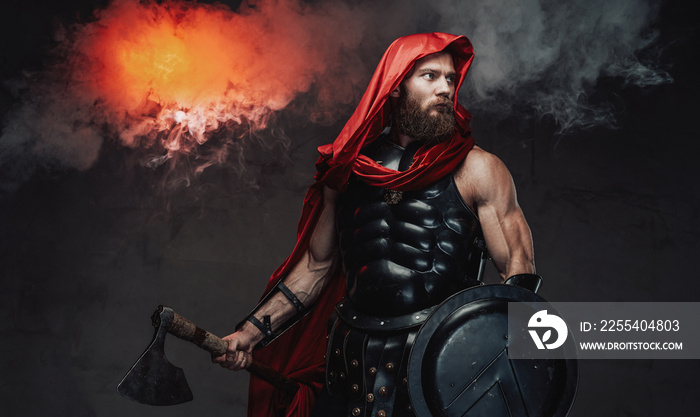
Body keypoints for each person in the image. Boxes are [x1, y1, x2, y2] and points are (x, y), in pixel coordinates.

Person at [213, 32, 538, 417]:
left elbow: (518, 275)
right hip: (351, 362)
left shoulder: (479, 169)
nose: (445, 89)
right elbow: (316, 268)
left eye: (451, 79)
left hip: (442, 363)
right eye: (430, 76)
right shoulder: (349, 171)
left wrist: (497, 365)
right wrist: (248, 335)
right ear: (396, 85)